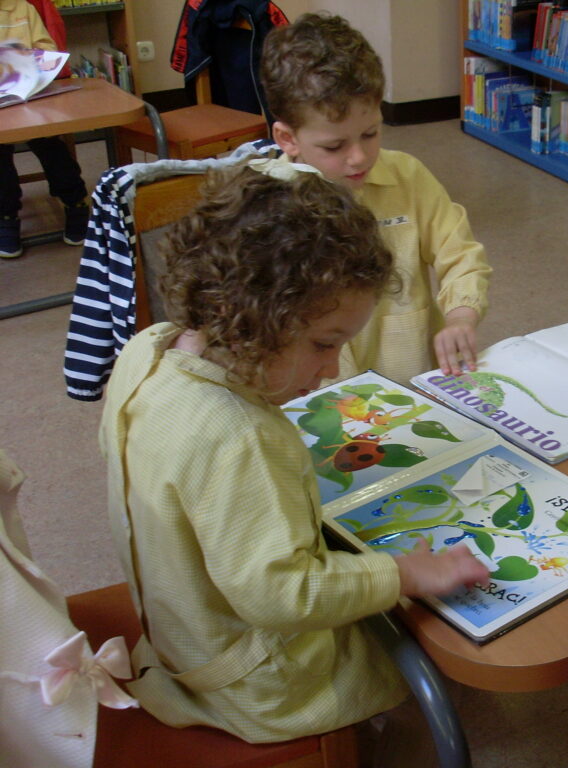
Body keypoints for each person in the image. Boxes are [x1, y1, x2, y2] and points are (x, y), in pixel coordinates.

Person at [98, 161, 489, 755]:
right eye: (325, 345)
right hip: (253, 684)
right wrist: (408, 575)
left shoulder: (145, 350)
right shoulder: (240, 435)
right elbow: (284, 595)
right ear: (253, 316)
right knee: (430, 648)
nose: (332, 369)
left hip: (181, 630)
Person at [259, 12, 492, 381]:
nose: (359, 157)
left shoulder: (408, 177)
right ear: (288, 139)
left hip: (411, 383)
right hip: (319, 391)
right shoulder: (264, 204)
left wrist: (461, 316)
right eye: (334, 146)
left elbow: (461, 255)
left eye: (370, 134)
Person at [0, 0, 89, 259]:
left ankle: (75, 202)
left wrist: (23, 61)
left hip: (28, 92)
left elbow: (47, 50)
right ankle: (6, 215)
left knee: (50, 144)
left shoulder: (22, 8)